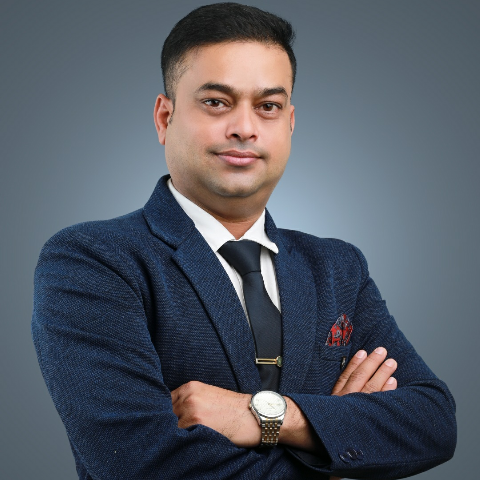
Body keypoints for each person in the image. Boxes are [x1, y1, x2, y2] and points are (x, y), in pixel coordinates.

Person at [32, 3, 456, 479]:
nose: (245, 128)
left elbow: (433, 423)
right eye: (216, 102)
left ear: (289, 123)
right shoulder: (93, 260)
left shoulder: (338, 267)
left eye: (267, 106)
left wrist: (268, 416)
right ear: (164, 117)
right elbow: (141, 462)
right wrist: (334, 445)